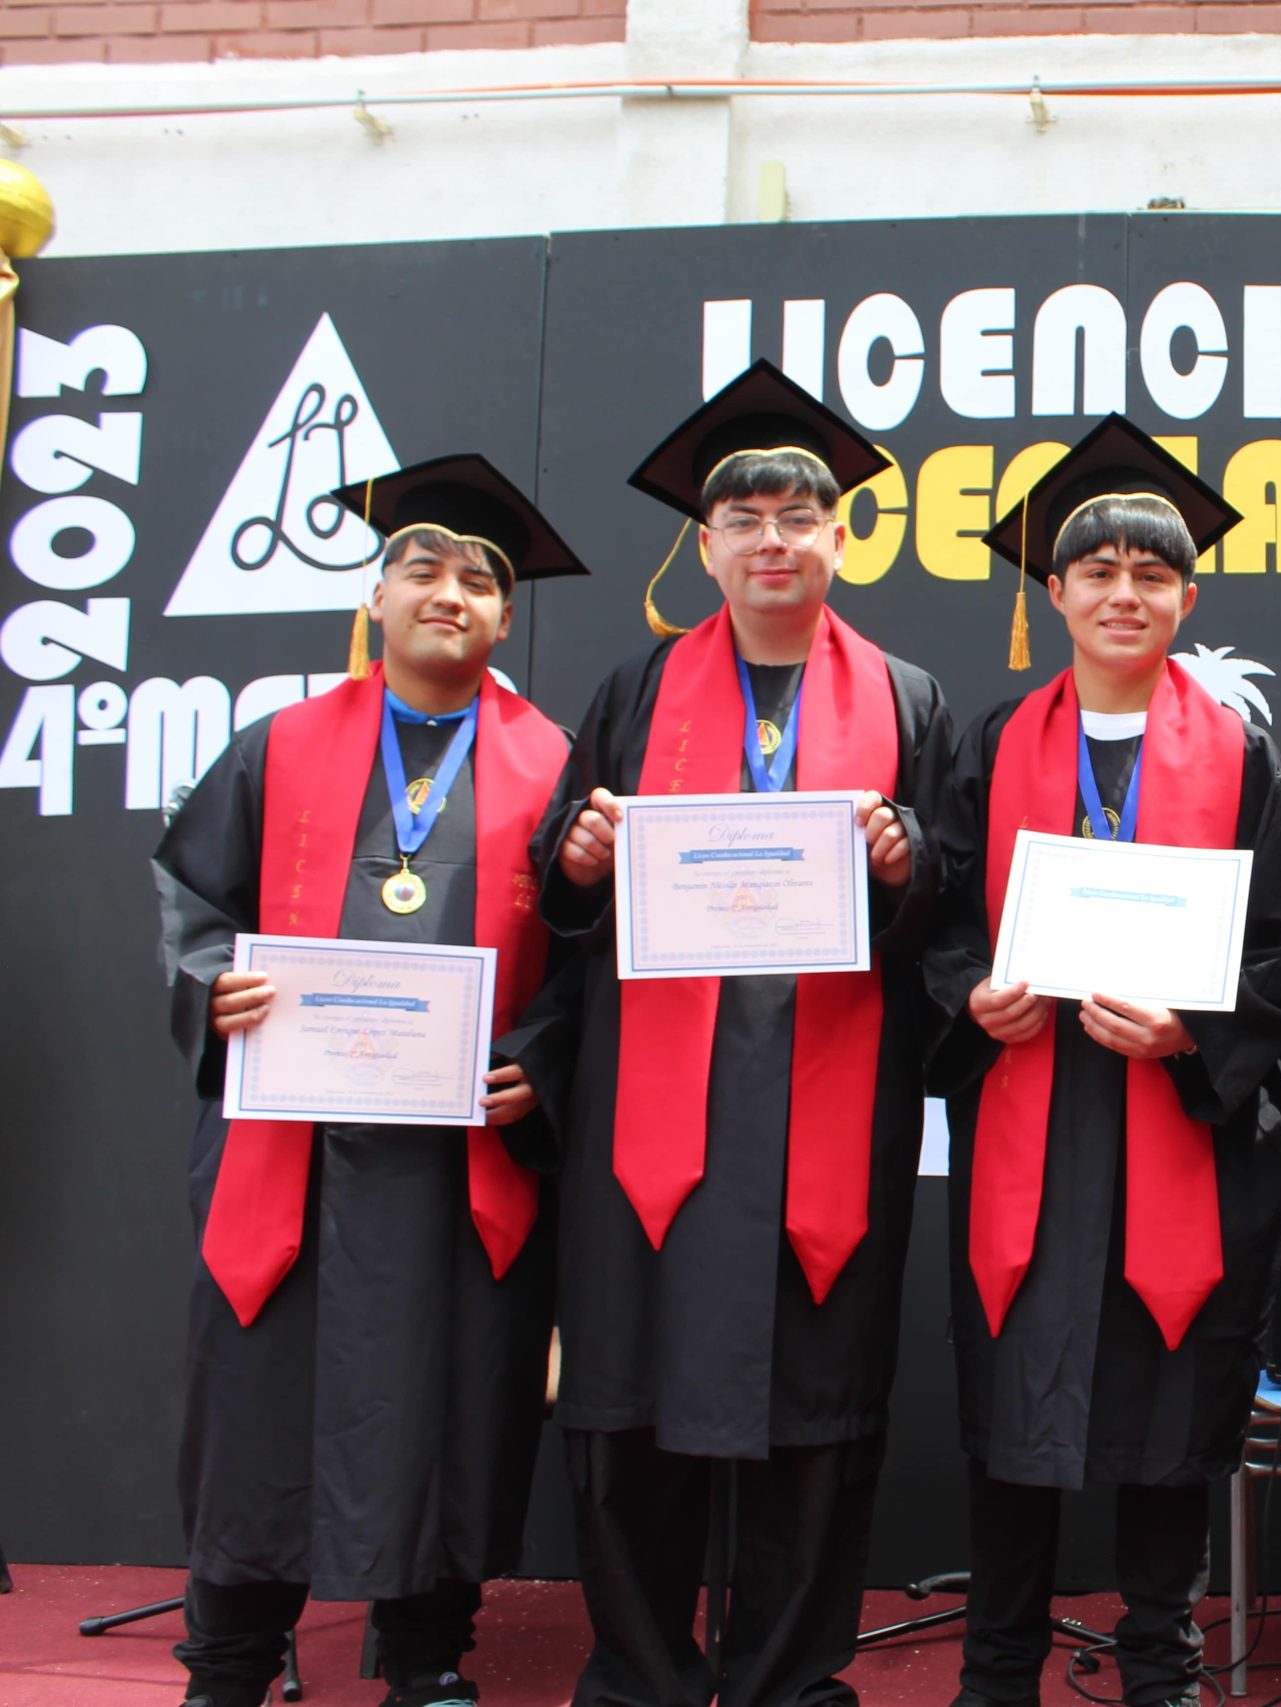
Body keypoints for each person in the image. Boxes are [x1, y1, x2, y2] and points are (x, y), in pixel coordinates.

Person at [531, 361, 954, 1707]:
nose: (774, 539)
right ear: (705, 546)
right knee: (629, 1397)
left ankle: (788, 1678)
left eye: (799, 515)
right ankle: (643, 1674)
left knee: (815, 1410)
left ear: (843, 537)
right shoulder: (638, 689)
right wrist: (577, 858)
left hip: (829, 1096)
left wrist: (910, 860)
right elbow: (561, 890)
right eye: (744, 518)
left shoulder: (908, 698)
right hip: (653, 1109)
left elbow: (957, 901)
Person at [153, 455, 588, 1707]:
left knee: (449, 1407)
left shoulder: (553, 764)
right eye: (424, 568)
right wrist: (210, 981)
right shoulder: (278, 746)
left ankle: (426, 1655)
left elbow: (586, 964)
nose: (450, 593)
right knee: (259, 1411)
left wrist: (539, 1062)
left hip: (456, 1166)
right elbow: (193, 897)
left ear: (505, 616)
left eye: (480, 581)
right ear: (378, 595)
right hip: (294, 1155)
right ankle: (229, 1662)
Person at [923, 415, 1281, 1707]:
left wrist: (1199, 1030)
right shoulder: (991, 745)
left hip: (1176, 1126)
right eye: (1098, 571)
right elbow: (941, 924)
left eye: (1153, 573)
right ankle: (997, 1671)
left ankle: (1161, 1665)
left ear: (1187, 597)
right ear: (1056, 591)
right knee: (1016, 1401)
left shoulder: (1241, 755)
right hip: (1033, 1122)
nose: (1124, 594)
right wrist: (971, 997)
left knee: (1166, 1398)